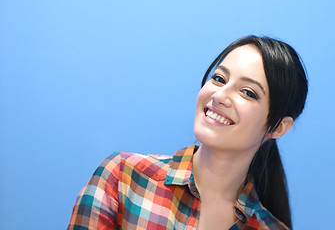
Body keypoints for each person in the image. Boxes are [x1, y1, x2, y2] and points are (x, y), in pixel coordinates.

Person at [68, 35, 308, 230]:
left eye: (247, 92)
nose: (220, 95)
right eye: (219, 78)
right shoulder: (122, 177)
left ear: (278, 127)